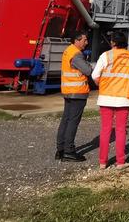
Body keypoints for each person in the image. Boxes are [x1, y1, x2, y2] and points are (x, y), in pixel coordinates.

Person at [91, 31, 129, 169]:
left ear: (113, 42)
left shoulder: (106, 55)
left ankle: (102, 162)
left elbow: (95, 75)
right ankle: (120, 162)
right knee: (120, 130)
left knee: (106, 129)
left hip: (106, 97)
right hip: (124, 98)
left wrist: (102, 83)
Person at [56, 31, 92, 162]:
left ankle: (60, 150)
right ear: (77, 40)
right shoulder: (76, 54)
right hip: (77, 92)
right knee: (72, 122)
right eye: (85, 40)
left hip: (68, 91)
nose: (86, 42)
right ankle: (69, 151)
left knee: (65, 120)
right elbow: (88, 71)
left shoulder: (68, 51)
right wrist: (89, 64)